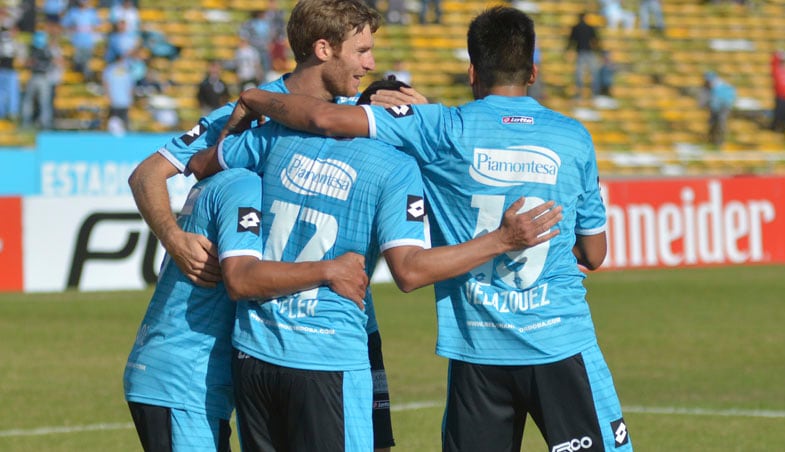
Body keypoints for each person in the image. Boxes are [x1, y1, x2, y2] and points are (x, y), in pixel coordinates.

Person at [219, 6, 632, 451]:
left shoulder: (441, 127)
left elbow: (325, 119)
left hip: (478, 351)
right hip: (561, 341)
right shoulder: (573, 137)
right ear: (532, 71)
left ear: (472, 72)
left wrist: (255, 98)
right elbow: (593, 253)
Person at [187, 79, 561, 452]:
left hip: (254, 348)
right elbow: (410, 271)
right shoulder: (395, 166)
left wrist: (241, 116)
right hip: (327, 353)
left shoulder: (283, 136)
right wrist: (502, 241)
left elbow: (201, 163)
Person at [127, 1, 425, 450]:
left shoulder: (350, 113)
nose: (371, 63)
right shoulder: (250, 114)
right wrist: (173, 237)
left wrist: (418, 118)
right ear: (323, 49)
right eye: (362, 50)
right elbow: (147, 173)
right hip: (229, 343)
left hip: (320, 331)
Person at [124, 167, 369, 452]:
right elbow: (241, 279)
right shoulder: (245, 185)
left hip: (177, 371)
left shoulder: (222, 181)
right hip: (183, 379)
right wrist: (329, 270)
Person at [21, 30, 56, 129]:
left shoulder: (33, 50)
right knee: (43, 102)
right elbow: (53, 63)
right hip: (42, 78)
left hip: (36, 77)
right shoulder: (47, 50)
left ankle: (27, 122)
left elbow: (28, 63)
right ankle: (45, 124)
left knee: (30, 101)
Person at [567, 12, 601, 99]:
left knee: (580, 75)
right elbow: (595, 40)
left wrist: (568, 50)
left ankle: (580, 95)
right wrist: (598, 51)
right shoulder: (589, 27)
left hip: (581, 52)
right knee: (593, 74)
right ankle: (595, 94)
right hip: (589, 52)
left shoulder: (576, 27)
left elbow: (571, 41)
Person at [700, 71, 735, 148]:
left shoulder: (722, 86)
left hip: (723, 108)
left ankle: (720, 142)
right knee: (713, 124)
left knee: (721, 123)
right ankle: (711, 140)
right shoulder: (710, 87)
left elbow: (727, 99)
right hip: (715, 109)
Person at [102, 52, 135, 134]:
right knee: (121, 119)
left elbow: (106, 83)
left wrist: (107, 95)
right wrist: (130, 98)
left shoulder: (109, 69)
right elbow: (130, 86)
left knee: (114, 119)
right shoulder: (126, 70)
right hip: (123, 99)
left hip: (115, 99)